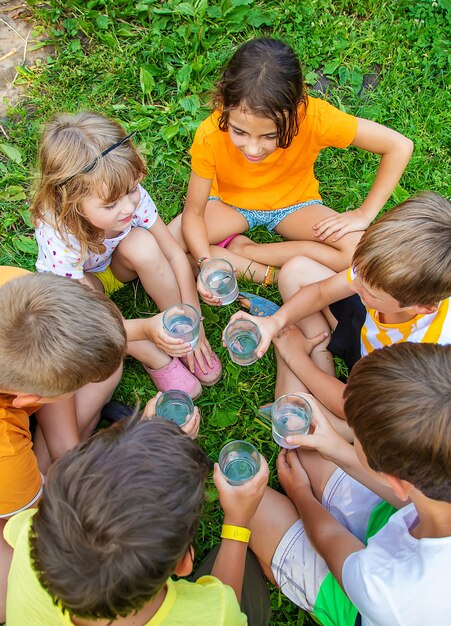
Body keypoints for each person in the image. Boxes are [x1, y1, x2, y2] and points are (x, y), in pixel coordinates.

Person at [169, 37, 413, 297]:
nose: (253, 149)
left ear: (297, 110)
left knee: (357, 252)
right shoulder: (210, 133)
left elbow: (399, 146)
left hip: (294, 206)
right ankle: (271, 276)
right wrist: (206, 263)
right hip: (228, 205)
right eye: (239, 132)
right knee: (169, 245)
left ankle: (246, 252)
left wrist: (364, 214)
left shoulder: (315, 118)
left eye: (270, 136)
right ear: (224, 104)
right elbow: (193, 214)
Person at [5, 410, 270, 625]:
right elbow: (228, 605)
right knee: (248, 574)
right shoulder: (213, 616)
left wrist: (138, 445)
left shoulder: (31, 535)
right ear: (182, 564)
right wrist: (238, 522)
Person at [249, 342, 451, 625]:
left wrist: (300, 492)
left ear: (397, 481)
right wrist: (337, 449)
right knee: (308, 445)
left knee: (254, 507)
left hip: (364, 602)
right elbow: (409, 500)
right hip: (405, 520)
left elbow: (330, 539)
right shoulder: (432, 487)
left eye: (356, 439)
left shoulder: (390, 593)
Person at [30, 111, 222, 396]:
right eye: (110, 206)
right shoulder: (58, 232)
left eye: (132, 190)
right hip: (78, 291)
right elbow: (90, 319)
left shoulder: (126, 192)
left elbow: (174, 254)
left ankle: (178, 328)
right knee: (89, 321)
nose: (129, 207)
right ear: (69, 201)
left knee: (142, 243)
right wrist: (145, 331)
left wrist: (192, 318)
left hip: (114, 265)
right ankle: (154, 358)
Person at [230, 192, 451, 425]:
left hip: (380, 383)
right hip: (368, 333)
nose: (355, 285)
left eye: (370, 291)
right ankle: (303, 350)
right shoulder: (383, 272)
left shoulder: (423, 352)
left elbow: (352, 405)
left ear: (423, 308)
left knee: (294, 423)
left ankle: (299, 355)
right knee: (296, 270)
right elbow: (322, 292)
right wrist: (275, 321)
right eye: (359, 274)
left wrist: (295, 357)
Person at [0, 267, 127, 622]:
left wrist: (68, 452)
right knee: (10, 584)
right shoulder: (5, 457)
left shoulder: (14, 289)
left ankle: (59, 462)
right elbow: (28, 522)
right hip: (10, 488)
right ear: (28, 400)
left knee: (106, 366)